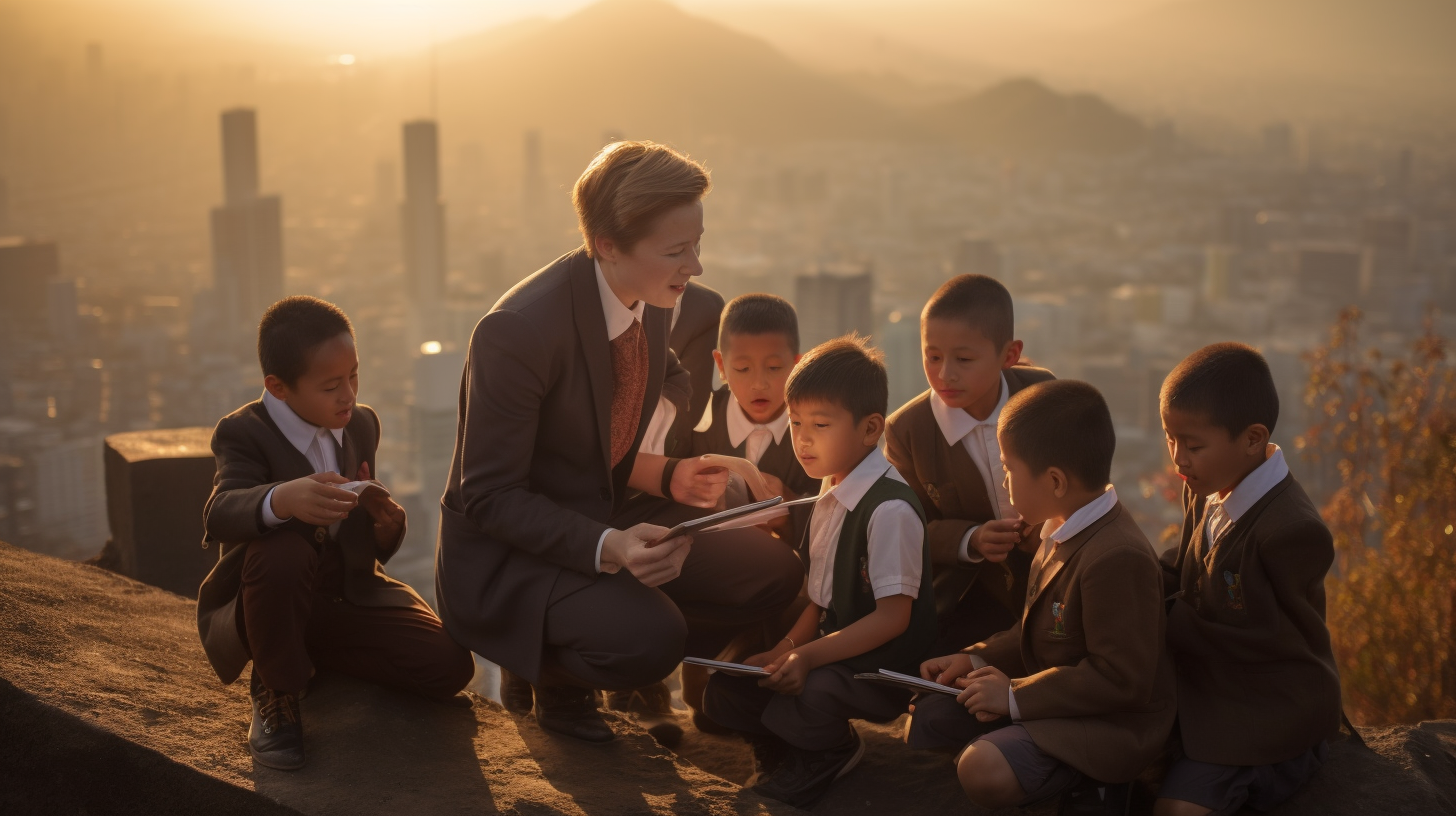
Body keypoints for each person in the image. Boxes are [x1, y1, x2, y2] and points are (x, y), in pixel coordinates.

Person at [434, 140, 803, 743]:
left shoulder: (650, 293)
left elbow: (669, 379)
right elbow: (491, 495)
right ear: (607, 245)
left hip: (611, 506)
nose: (696, 266)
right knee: (651, 641)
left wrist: (664, 470)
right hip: (519, 550)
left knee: (771, 571)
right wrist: (611, 545)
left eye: (698, 244)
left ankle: (598, 623)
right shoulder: (518, 333)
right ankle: (556, 675)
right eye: (677, 250)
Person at [196, 296, 473, 771]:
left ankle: (303, 653)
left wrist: (386, 525)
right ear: (278, 387)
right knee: (281, 547)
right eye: (330, 386)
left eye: (353, 376)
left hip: (344, 593)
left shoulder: (360, 424)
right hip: (271, 593)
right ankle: (277, 687)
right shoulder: (244, 433)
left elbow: (359, 541)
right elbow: (219, 512)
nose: (348, 395)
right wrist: (281, 500)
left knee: (449, 667)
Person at [908, 380, 1175, 814]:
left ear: (1054, 481)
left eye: (1009, 470)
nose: (1004, 480)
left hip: (1108, 723)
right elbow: (1042, 629)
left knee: (982, 769)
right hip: (1058, 699)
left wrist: (1013, 696)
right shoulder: (1057, 529)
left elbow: (1120, 678)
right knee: (932, 716)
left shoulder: (1115, 556)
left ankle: (1093, 785)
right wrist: (975, 658)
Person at [701, 335, 937, 808]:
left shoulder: (889, 509)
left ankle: (829, 752)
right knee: (731, 685)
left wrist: (807, 659)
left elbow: (893, 618)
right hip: (832, 648)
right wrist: (784, 649)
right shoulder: (832, 489)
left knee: (812, 691)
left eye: (820, 425)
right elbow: (821, 600)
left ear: (871, 429)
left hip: (881, 665)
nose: (802, 439)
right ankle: (782, 747)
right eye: (794, 423)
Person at [1155, 343, 1342, 816]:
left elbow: (1268, 639)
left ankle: (1285, 766)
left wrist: (1168, 617)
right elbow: (1188, 564)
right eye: (1170, 439)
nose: (1179, 459)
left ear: (1253, 438)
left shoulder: (1292, 530)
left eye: (1193, 445)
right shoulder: (1208, 485)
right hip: (1209, 675)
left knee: (1180, 806)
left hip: (1266, 701)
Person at [884, 274, 1053, 652]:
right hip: (971, 593)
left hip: (1056, 572)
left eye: (963, 359)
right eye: (932, 356)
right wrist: (969, 538)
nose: (945, 374)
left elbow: (1078, 481)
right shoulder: (909, 431)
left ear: (1009, 354)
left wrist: (1049, 519)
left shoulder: (1043, 394)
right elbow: (906, 525)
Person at [691, 293, 817, 545]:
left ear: (796, 365)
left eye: (774, 368)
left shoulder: (816, 432)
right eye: (743, 369)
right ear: (721, 365)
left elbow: (828, 534)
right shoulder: (697, 422)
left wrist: (786, 508)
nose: (759, 384)